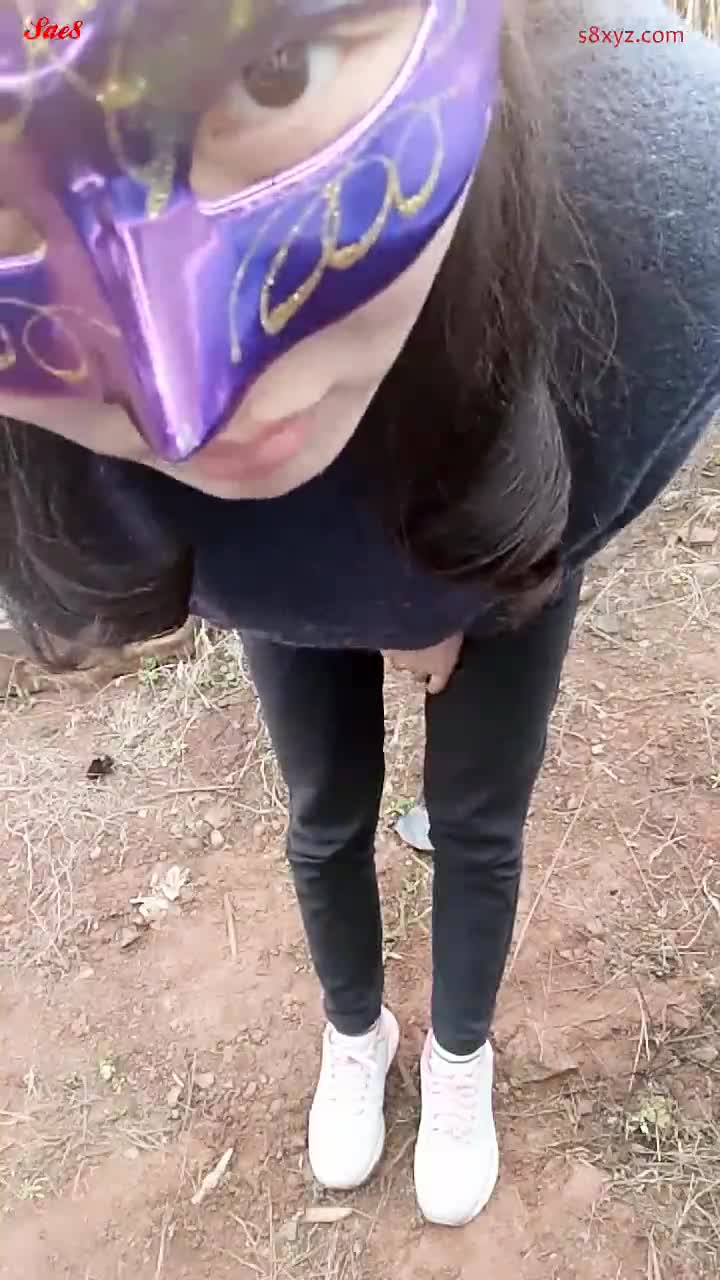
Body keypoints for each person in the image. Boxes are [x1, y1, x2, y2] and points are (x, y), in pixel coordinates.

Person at [0, 0, 718, 1229]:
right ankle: (356, 1030)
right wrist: (359, 603)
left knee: (476, 821)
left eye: (275, 70)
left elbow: (630, 43)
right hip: (270, 561)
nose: (184, 400)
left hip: (507, 507)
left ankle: (458, 1055)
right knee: (322, 812)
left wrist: (448, 595)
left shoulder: (608, 165)